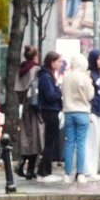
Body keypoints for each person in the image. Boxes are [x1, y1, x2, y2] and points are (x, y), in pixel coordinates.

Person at [61, 53, 94, 183]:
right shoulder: (84, 77)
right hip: (82, 112)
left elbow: (62, 93)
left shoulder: (66, 77)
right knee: (81, 144)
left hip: (68, 112)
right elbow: (90, 95)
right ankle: (80, 173)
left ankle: (67, 174)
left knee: (69, 143)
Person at [14, 46, 42, 180]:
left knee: (27, 138)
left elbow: (18, 91)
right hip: (35, 108)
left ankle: (22, 165)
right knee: (35, 139)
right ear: (35, 56)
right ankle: (29, 169)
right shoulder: (36, 70)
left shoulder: (21, 70)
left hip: (25, 106)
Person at [35, 51, 64, 181]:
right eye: (58, 61)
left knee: (50, 142)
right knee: (49, 142)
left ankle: (46, 170)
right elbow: (50, 95)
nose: (60, 64)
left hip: (51, 110)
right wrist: (59, 92)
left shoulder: (48, 76)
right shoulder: (46, 77)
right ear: (52, 62)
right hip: (49, 111)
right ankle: (43, 172)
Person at [85, 49, 100, 179]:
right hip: (92, 112)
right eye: (98, 59)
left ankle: (93, 169)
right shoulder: (90, 75)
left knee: (96, 142)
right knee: (90, 142)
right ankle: (89, 170)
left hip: (99, 112)